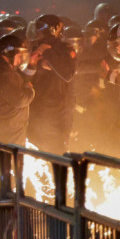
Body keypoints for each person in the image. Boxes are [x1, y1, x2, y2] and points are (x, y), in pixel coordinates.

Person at [26, 14, 78, 154]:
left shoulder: (64, 49)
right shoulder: (34, 47)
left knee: (55, 156)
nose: (36, 32)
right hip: (35, 112)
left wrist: (47, 52)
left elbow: (67, 73)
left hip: (56, 116)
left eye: (40, 28)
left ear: (51, 30)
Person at [0, 34, 39, 147]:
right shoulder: (3, 73)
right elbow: (20, 99)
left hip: (7, 131)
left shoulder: (3, 69)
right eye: (20, 55)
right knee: (4, 163)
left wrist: (31, 66)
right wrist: (30, 90)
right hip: (6, 135)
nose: (21, 59)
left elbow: (19, 83)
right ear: (9, 52)